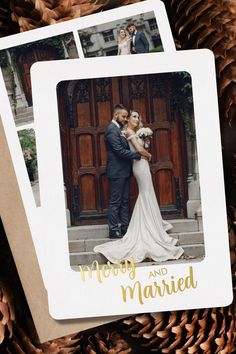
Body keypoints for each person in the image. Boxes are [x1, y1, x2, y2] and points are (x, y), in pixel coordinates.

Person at [94, 110, 186, 263]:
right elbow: (138, 150)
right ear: (127, 118)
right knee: (143, 194)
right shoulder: (127, 131)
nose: (136, 119)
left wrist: (146, 141)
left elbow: (144, 148)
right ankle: (135, 227)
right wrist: (147, 155)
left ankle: (150, 223)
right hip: (139, 166)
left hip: (142, 166)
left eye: (138, 116)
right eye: (132, 116)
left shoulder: (135, 131)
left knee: (147, 193)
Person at [104, 104, 142, 239]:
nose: (126, 119)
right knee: (116, 201)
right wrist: (137, 155)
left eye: (127, 117)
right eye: (124, 116)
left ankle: (125, 228)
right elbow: (119, 151)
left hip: (125, 171)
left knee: (125, 201)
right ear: (116, 115)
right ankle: (113, 230)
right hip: (116, 172)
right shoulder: (111, 130)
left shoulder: (120, 129)